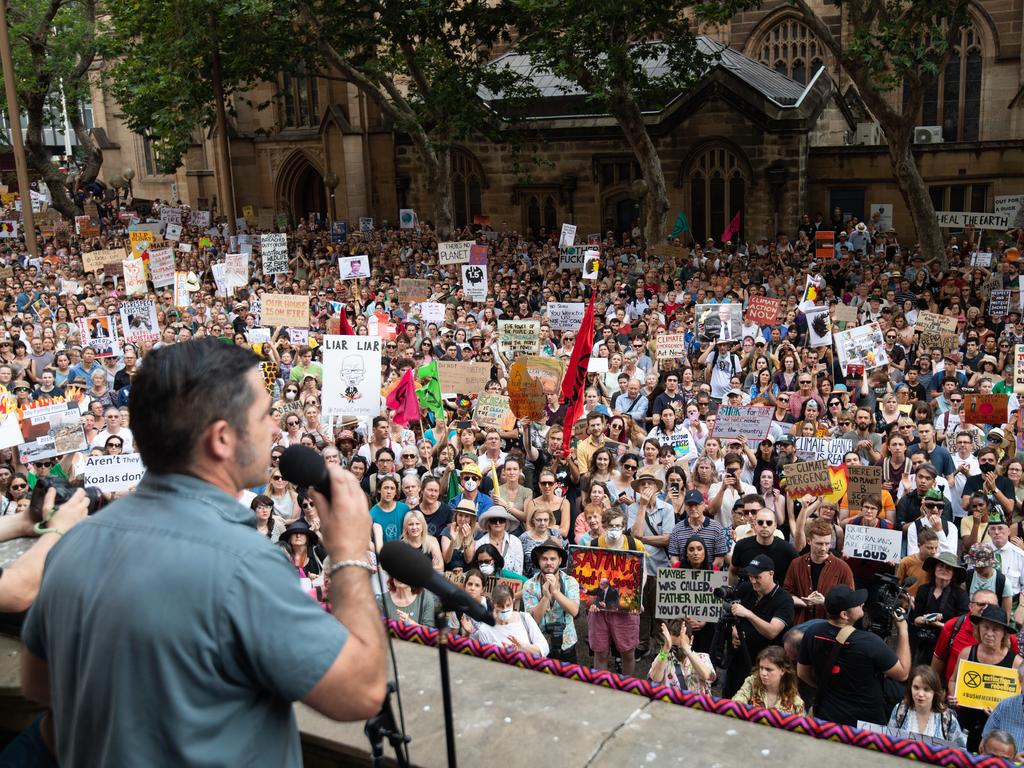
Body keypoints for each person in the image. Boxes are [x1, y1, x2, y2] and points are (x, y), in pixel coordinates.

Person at [21, 340, 387, 765]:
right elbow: (362, 691)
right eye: (265, 415)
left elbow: (38, 685)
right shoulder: (246, 565)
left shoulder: (75, 544)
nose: (274, 431)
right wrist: (348, 553)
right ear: (222, 438)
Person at [798, 585, 911, 727]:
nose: (862, 604)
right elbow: (903, 673)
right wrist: (903, 630)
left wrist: (827, 686)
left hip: (827, 718)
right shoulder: (869, 642)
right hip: (865, 724)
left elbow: (802, 673)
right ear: (844, 614)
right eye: (857, 603)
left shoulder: (812, 632)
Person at [950, 605, 1023, 750]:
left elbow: (1020, 699)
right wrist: (953, 695)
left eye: (995, 629)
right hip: (965, 724)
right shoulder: (967, 653)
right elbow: (953, 680)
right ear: (978, 629)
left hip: (997, 733)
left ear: (1004, 633)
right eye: (985, 627)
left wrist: (1001, 709)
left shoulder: (1016, 663)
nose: (989, 633)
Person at [723, 554, 794, 699]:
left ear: (771, 574)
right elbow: (734, 614)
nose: (753, 580)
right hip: (738, 658)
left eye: (757, 577)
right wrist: (734, 631)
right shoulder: (746, 589)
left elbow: (772, 631)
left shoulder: (784, 599)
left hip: (765, 666)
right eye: (750, 576)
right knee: (730, 699)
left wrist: (748, 614)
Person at [783, 518, 855, 625]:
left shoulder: (842, 568)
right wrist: (804, 602)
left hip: (830, 625)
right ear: (809, 541)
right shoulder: (796, 564)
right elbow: (786, 593)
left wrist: (825, 602)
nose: (824, 548)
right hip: (801, 622)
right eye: (819, 544)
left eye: (827, 544)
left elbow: (850, 601)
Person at [521, 539, 581, 662]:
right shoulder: (529, 585)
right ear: (538, 561)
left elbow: (575, 612)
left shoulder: (570, 582)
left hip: (567, 642)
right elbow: (532, 620)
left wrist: (555, 593)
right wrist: (546, 597)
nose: (549, 563)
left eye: (553, 559)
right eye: (544, 559)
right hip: (540, 644)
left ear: (560, 561)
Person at [886, 665, 967, 747]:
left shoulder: (948, 718)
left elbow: (961, 750)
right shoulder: (900, 710)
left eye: (926, 689)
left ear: (935, 691)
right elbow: (888, 741)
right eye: (916, 688)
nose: (920, 694)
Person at [471, 584, 548, 656]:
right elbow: (484, 659)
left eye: (508, 605)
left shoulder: (525, 618)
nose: (505, 609)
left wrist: (522, 646)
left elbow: (544, 649)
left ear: (513, 601)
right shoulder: (485, 629)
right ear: (492, 603)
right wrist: (502, 653)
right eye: (500, 606)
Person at [648, 619, 716, 695]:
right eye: (675, 646)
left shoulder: (703, 657)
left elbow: (709, 677)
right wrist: (665, 649)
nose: (680, 649)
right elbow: (655, 678)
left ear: (691, 640)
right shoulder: (663, 658)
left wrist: (687, 650)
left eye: (683, 645)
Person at [732, 645, 805, 714]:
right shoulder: (752, 682)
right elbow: (739, 698)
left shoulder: (795, 703)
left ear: (782, 670)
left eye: (768, 669)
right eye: (761, 668)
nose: (763, 673)